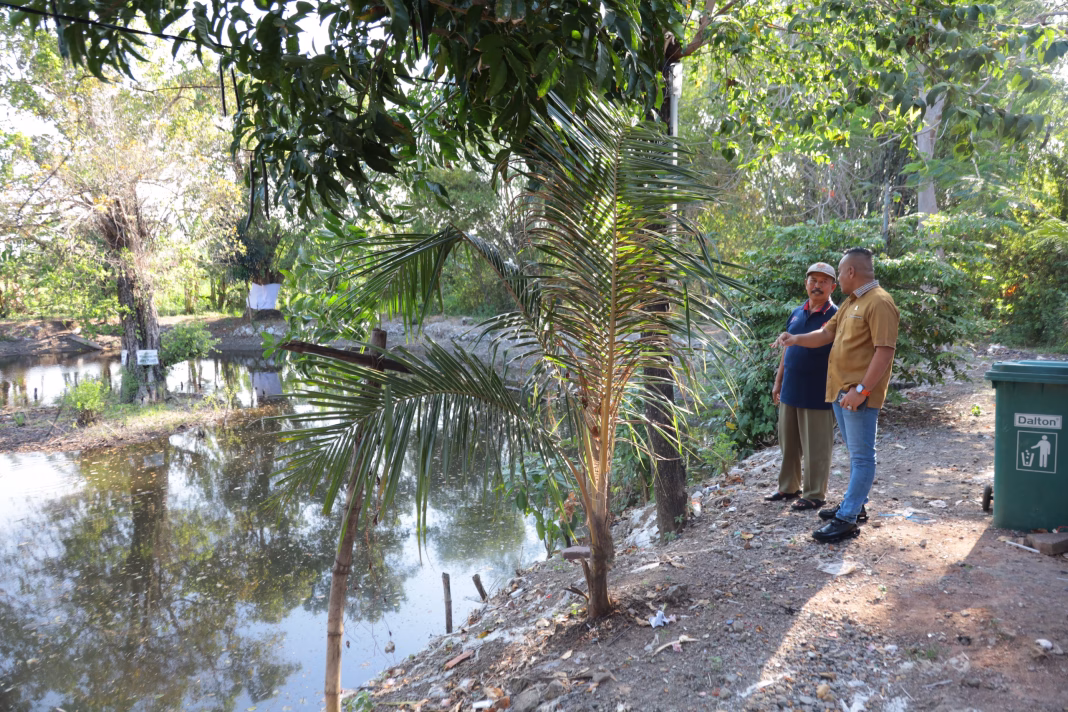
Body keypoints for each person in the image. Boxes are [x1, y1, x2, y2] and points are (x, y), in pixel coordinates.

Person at [772, 247, 899, 542]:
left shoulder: (880, 302)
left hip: (858, 395)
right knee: (856, 457)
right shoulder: (851, 302)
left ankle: (847, 518)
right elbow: (826, 335)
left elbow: (884, 351)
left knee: (863, 457)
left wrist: (862, 389)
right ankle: (855, 505)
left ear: (851, 272)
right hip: (840, 392)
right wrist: (794, 339)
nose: (838, 278)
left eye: (839, 273)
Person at [765, 262, 838, 512]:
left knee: (816, 446)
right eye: (813, 280)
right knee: (788, 442)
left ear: (833, 286)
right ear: (806, 284)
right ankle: (788, 487)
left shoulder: (835, 315)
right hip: (790, 389)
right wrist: (778, 381)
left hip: (818, 390)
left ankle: (815, 494)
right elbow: (788, 349)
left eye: (823, 281)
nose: (817, 285)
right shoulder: (796, 313)